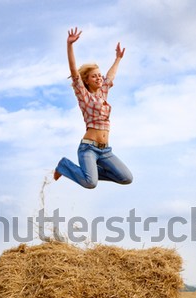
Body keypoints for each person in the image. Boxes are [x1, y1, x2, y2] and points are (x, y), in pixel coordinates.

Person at [53, 27, 133, 189]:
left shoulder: (103, 93)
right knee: (90, 183)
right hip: (88, 148)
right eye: (94, 76)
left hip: (106, 152)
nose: (99, 78)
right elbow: (74, 71)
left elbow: (110, 76)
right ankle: (64, 165)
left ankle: (89, 170)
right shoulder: (84, 95)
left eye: (99, 75)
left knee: (126, 178)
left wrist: (118, 58)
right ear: (87, 80)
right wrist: (70, 45)